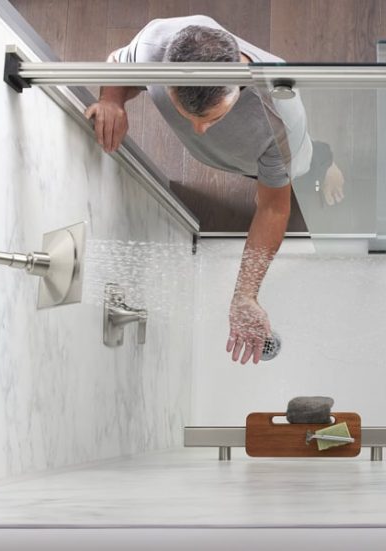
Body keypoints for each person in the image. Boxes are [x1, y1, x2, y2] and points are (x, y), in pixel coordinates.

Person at [85, 15, 344, 364]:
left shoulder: (278, 115)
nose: (199, 130)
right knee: (258, 172)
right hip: (241, 157)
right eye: (187, 115)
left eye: (213, 118)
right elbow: (119, 64)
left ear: (238, 86)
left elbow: (272, 208)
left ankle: (329, 164)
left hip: (284, 153)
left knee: (301, 166)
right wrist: (112, 99)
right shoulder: (154, 45)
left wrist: (245, 294)